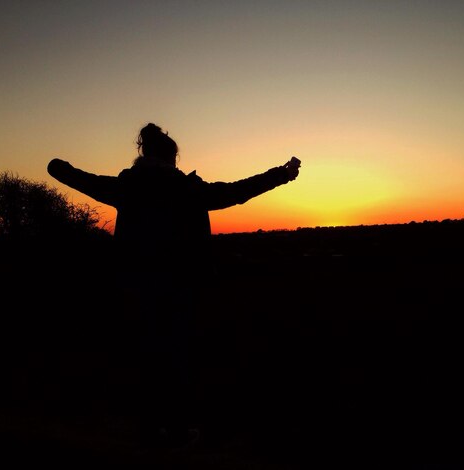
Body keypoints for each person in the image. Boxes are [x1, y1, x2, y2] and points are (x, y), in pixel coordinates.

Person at [47, 122, 301, 449]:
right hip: (183, 287)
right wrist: (281, 173)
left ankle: (150, 430)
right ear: (173, 157)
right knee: (179, 359)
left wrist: (57, 167)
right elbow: (236, 191)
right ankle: (179, 430)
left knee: (147, 358)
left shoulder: (127, 186)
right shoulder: (187, 189)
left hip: (137, 286)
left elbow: (78, 178)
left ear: (144, 153)